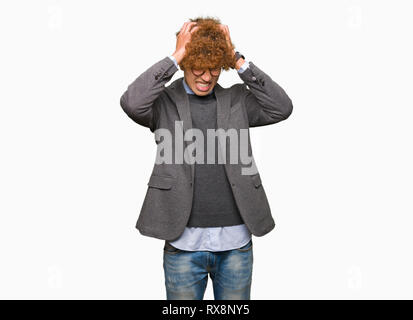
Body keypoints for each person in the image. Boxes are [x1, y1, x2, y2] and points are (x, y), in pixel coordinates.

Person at [119, 17, 293, 300]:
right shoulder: (162, 102)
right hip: (182, 244)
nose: (206, 76)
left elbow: (282, 107)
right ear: (186, 63)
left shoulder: (238, 100)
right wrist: (174, 57)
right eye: (198, 67)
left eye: (214, 68)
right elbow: (131, 102)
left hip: (236, 244)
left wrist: (236, 58)